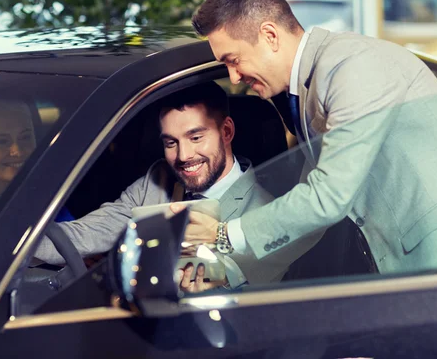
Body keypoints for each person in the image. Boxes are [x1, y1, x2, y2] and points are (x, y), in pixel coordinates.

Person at [182, 0, 437, 274]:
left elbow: (329, 196)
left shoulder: (350, 67)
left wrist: (223, 234)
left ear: (270, 35)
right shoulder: (312, 85)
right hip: (415, 267)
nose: (234, 76)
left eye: (233, 60)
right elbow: (311, 215)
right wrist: (232, 273)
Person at [34, 82, 321, 288]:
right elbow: (86, 233)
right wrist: (8, 244)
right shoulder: (158, 180)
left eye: (196, 138)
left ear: (227, 131)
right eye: (171, 142)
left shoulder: (268, 213)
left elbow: (247, 304)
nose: (183, 156)